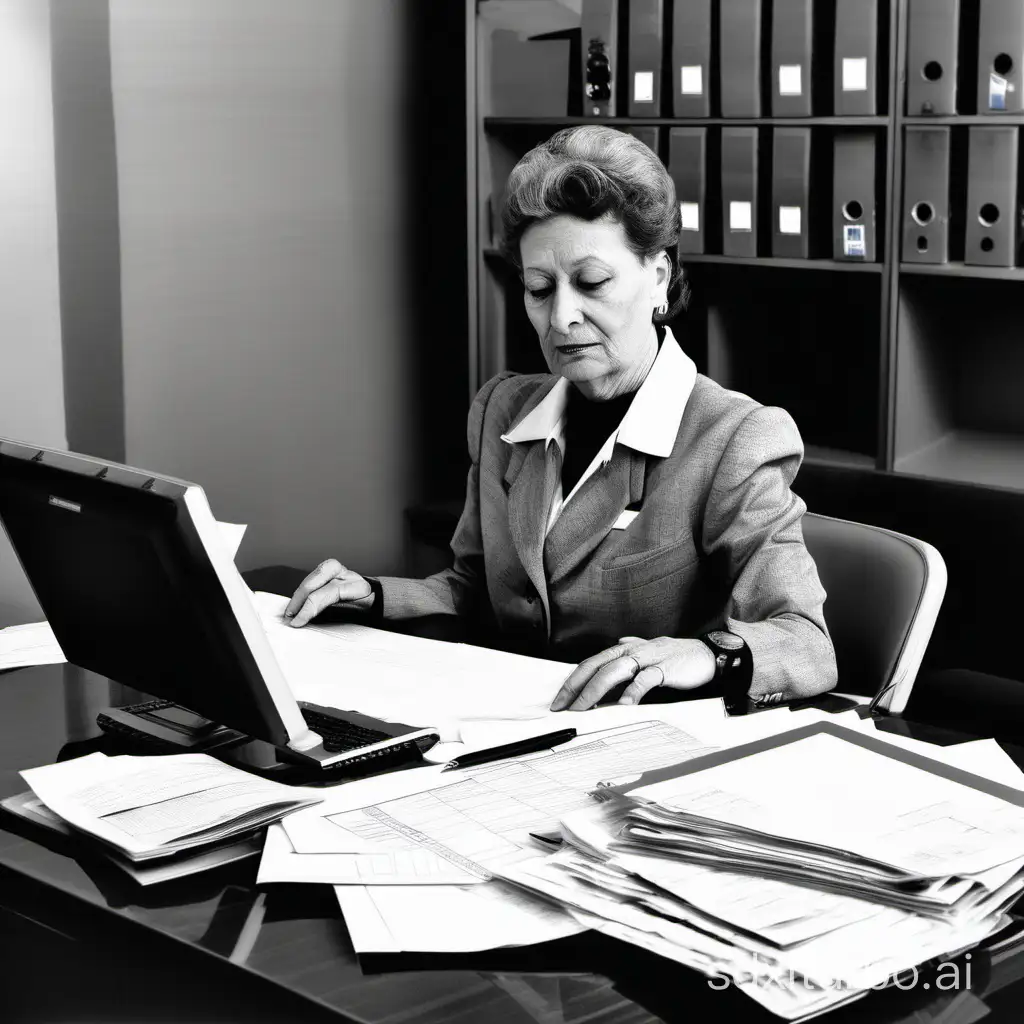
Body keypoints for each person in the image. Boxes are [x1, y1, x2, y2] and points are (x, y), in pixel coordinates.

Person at [285, 126, 837, 712]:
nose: (562, 317)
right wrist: (372, 596)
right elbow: (475, 591)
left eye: (592, 282)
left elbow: (807, 643)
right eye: (539, 288)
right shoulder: (504, 408)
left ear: (658, 276)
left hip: (636, 741)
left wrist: (706, 654)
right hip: (502, 721)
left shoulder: (735, 438)